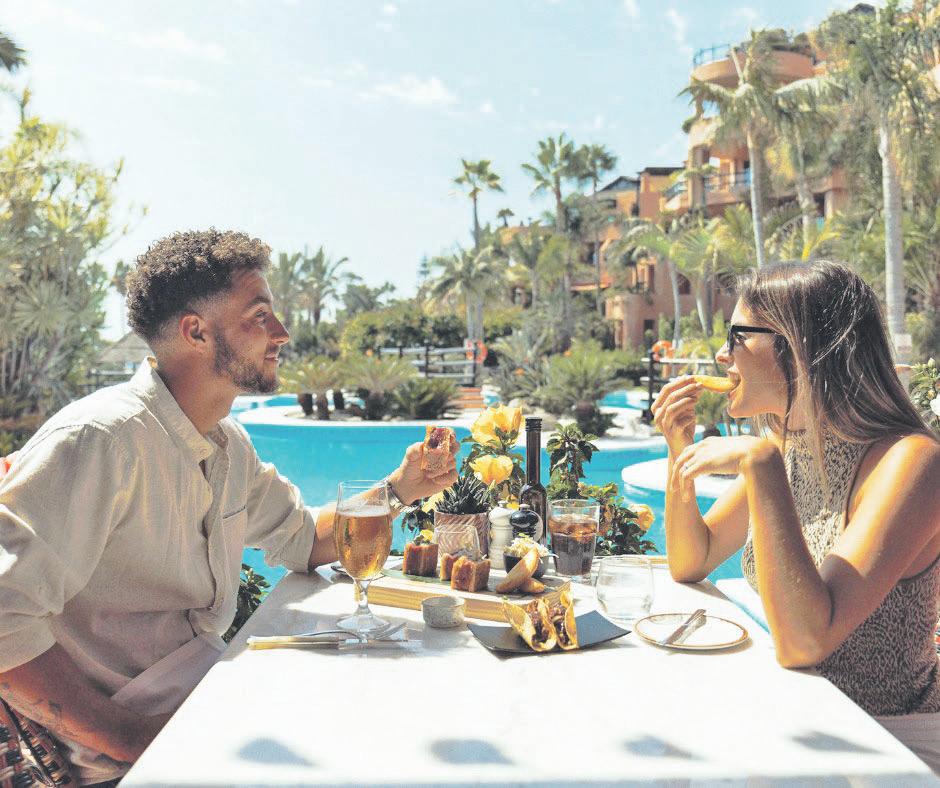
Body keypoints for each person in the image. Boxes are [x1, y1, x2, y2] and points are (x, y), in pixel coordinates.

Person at [0, 229, 459, 785]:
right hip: (123, 758)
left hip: (206, 704)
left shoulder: (225, 443)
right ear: (195, 331)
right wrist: (129, 739)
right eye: (259, 316)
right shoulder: (102, 440)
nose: (282, 333)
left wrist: (401, 487)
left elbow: (303, 537)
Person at [653, 261, 940, 773]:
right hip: (805, 715)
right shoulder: (787, 444)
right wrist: (680, 450)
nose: (722, 355)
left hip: (891, 741)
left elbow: (805, 642)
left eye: (738, 336)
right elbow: (691, 560)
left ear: (799, 346)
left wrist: (760, 464)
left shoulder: (911, 462)